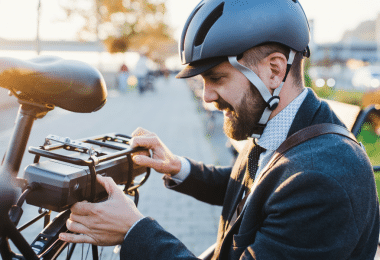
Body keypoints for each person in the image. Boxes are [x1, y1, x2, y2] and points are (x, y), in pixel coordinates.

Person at [59, 0, 380, 259]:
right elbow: (257, 188)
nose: (207, 97)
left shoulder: (322, 179)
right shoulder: (285, 125)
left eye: (216, 78)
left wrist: (134, 231)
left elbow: (285, 188)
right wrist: (177, 167)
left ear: (274, 70)